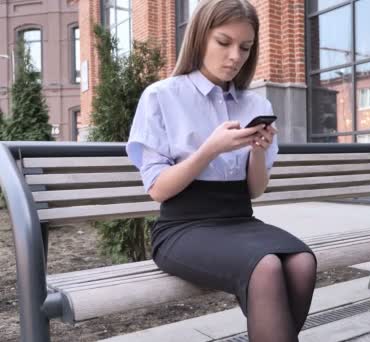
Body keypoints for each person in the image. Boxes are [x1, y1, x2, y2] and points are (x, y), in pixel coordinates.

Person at [125, 1, 317, 341]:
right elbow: (157, 189)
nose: (235, 57)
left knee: (302, 262)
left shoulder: (256, 104)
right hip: (183, 226)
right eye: (224, 42)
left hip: (239, 219)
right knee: (267, 266)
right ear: (200, 37)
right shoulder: (161, 97)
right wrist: (210, 148)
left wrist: (257, 152)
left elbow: (255, 190)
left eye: (245, 47)